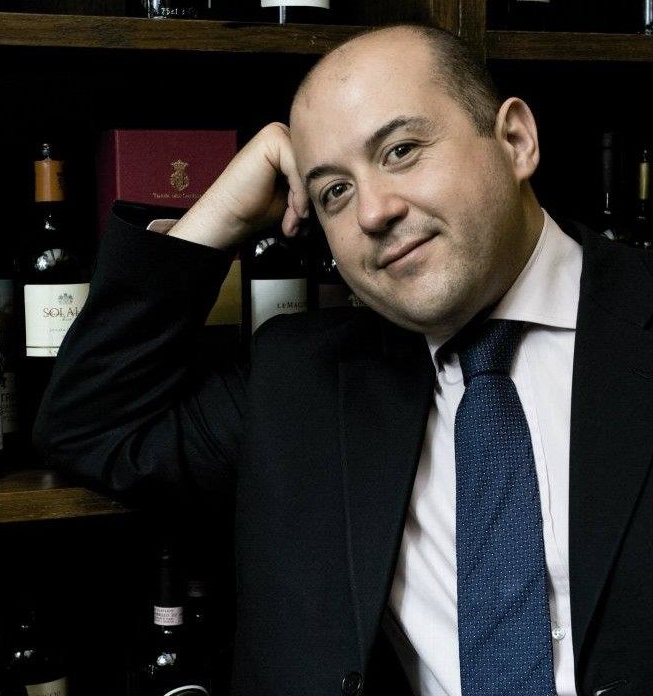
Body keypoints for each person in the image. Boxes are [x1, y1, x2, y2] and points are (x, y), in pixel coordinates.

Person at [34, 23, 653, 696]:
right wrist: (221, 215)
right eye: (334, 191)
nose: (373, 212)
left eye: (401, 151)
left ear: (515, 140)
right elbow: (90, 425)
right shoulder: (300, 379)